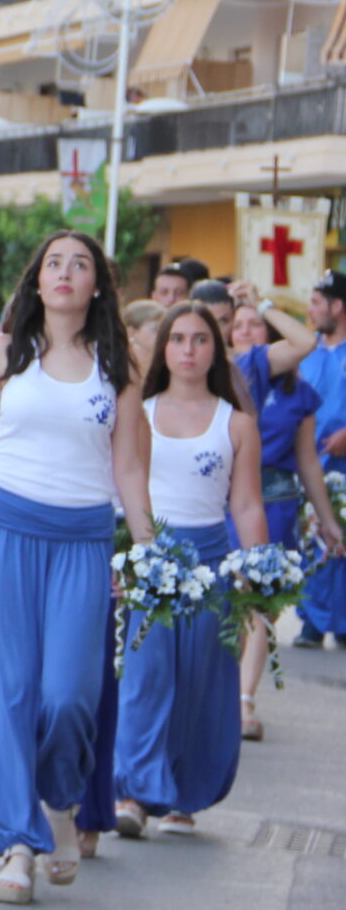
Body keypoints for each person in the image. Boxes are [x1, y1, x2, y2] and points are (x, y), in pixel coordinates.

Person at [0, 230, 152, 905]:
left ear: (97, 286)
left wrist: (146, 549)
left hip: (82, 541)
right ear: (37, 282)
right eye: (54, 262)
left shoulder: (119, 362)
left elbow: (129, 468)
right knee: (9, 690)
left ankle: (60, 798)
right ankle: (19, 844)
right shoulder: (3, 352)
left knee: (66, 695)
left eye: (79, 264)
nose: (64, 272)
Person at [114, 304, 260, 838]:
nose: (189, 350)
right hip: (151, 555)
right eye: (178, 339)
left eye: (201, 340)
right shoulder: (140, 411)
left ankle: (181, 795)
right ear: (164, 349)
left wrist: (257, 573)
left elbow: (246, 506)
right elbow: (120, 486)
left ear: (215, 352)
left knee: (199, 681)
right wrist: (127, 554)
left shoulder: (237, 422)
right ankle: (131, 791)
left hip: (212, 562)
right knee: (146, 673)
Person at [226, 298, 343, 737]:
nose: (247, 332)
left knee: (259, 608)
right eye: (238, 326)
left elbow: (309, 462)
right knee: (228, 606)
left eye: (256, 325)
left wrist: (328, 521)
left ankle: (244, 700)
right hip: (222, 503)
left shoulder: (297, 394)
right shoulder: (223, 378)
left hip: (275, 504)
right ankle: (226, 692)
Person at [298, 268, 346, 647]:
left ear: (337, 306)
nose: (310, 311)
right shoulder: (305, 350)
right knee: (313, 537)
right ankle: (311, 622)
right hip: (310, 465)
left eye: (316, 303)